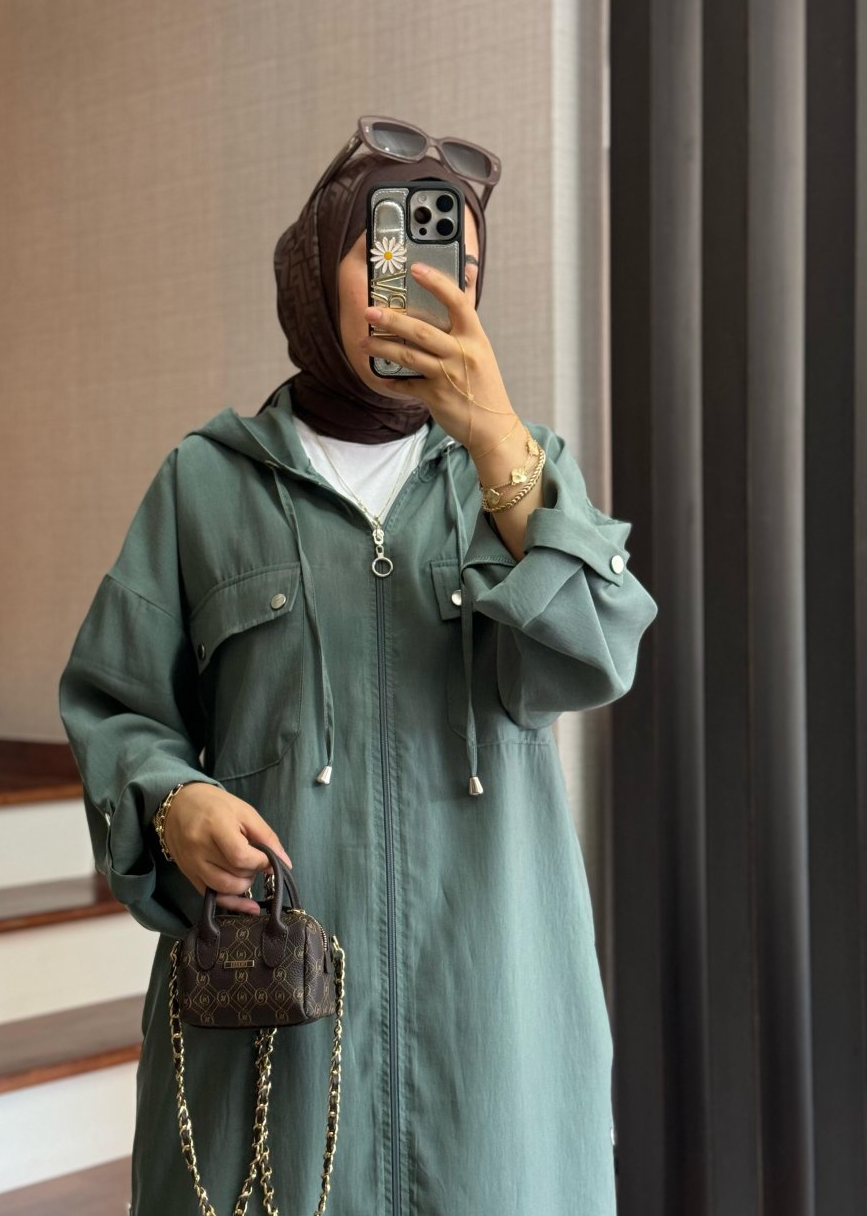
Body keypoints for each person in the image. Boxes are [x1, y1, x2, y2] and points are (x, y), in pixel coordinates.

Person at [59, 117, 659, 1216]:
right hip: (271, 1035)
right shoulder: (206, 481)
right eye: (395, 251)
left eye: (457, 264)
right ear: (314, 268)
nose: (431, 284)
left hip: (493, 1031)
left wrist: (499, 447)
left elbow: (600, 649)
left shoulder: (522, 479)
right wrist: (173, 801)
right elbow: (116, 706)